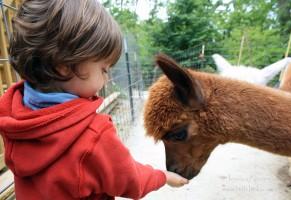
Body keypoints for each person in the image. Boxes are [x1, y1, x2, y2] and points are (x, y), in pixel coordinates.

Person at [0, 0, 188, 199]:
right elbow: (130, 178)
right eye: (104, 69)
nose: (107, 78)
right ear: (64, 65)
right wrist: (162, 176)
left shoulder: (14, 118)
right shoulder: (92, 135)